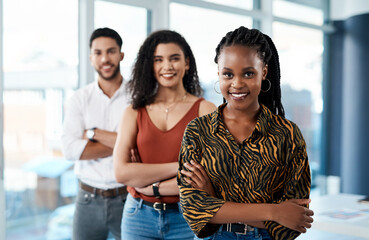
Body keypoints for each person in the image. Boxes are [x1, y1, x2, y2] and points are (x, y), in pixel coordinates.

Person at [177, 26, 313, 240]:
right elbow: (194, 210)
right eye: (228, 74)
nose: (237, 84)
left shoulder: (287, 134)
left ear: (264, 72)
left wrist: (214, 201)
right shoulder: (198, 132)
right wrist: (274, 211)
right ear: (218, 74)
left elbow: (295, 220)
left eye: (248, 73)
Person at [113, 30, 216, 240]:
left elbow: (212, 174)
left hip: (189, 216)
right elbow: (121, 172)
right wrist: (180, 166)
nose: (167, 66)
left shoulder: (206, 109)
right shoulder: (133, 112)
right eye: (158, 60)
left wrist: (151, 185)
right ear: (150, 66)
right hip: (138, 216)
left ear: (187, 63)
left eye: (174, 58)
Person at [61, 27, 128, 240]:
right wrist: (123, 144)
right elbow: (70, 150)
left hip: (128, 198)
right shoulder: (78, 99)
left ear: (121, 55)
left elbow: (140, 145)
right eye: (98, 53)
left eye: (111, 51)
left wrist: (92, 133)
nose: (105, 58)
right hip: (87, 199)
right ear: (91, 58)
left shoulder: (138, 97)